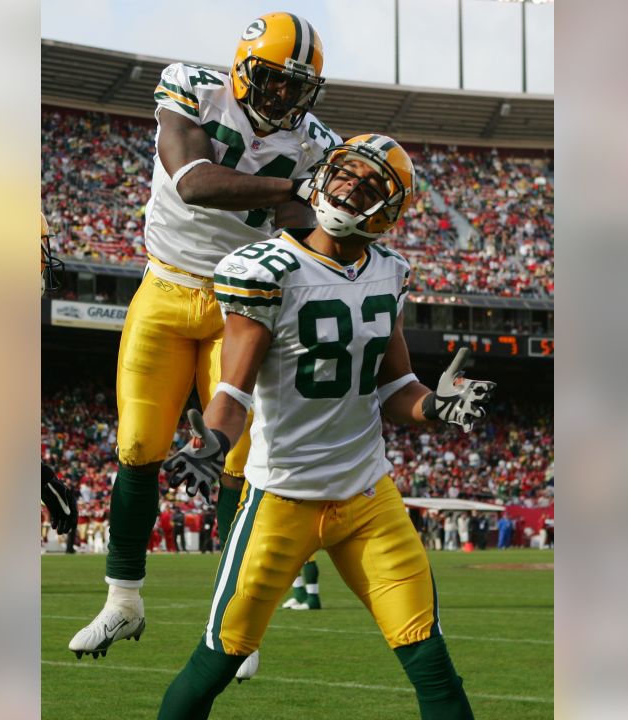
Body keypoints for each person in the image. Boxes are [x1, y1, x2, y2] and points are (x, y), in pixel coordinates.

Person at [157, 133, 495, 719]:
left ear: (388, 213)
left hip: (368, 496)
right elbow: (233, 392)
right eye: (345, 174)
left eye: (368, 186)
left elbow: (395, 388)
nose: (347, 189)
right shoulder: (267, 269)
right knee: (217, 661)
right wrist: (213, 441)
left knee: (433, 665)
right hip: (282, 498)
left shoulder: (388, 272)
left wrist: (434, 407)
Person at [69, 11, 341, 670]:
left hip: (239, 307)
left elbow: (312, 231)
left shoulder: (315, 143)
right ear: (244, 69)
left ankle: (235, 621)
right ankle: (123, 600)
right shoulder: (192, 89)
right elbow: (191, 181)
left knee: (238, 465)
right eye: (272, 82)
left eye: (294, 88)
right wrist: (293, 188)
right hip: (163, 292)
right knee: (138, 446)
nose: (282, 99)